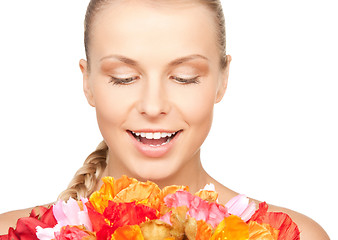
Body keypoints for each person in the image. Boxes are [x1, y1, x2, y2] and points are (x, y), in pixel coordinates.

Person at [0, 0, 331, 239]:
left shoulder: (288, 235)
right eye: (124, 77)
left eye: (185, 77)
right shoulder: (16, 235)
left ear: (222, 79)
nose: (153, 105)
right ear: (88, 83)